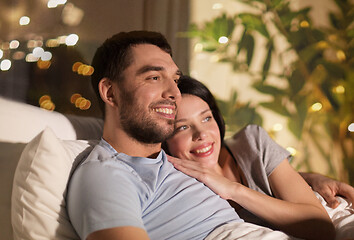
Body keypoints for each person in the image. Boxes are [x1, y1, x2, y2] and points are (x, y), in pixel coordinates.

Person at [67, 31, 244, 240]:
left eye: (175, 80)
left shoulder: (178, 162)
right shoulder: (107, 175)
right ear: (110, 93)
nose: (174, 93)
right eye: (154, 78)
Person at [165, 75, 346, 240]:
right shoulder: (177, 188)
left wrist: (234, 190)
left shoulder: (252, 143)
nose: (201, 134)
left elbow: (322, 229)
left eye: (206, 119)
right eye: (182, 127)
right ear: (164, 140)